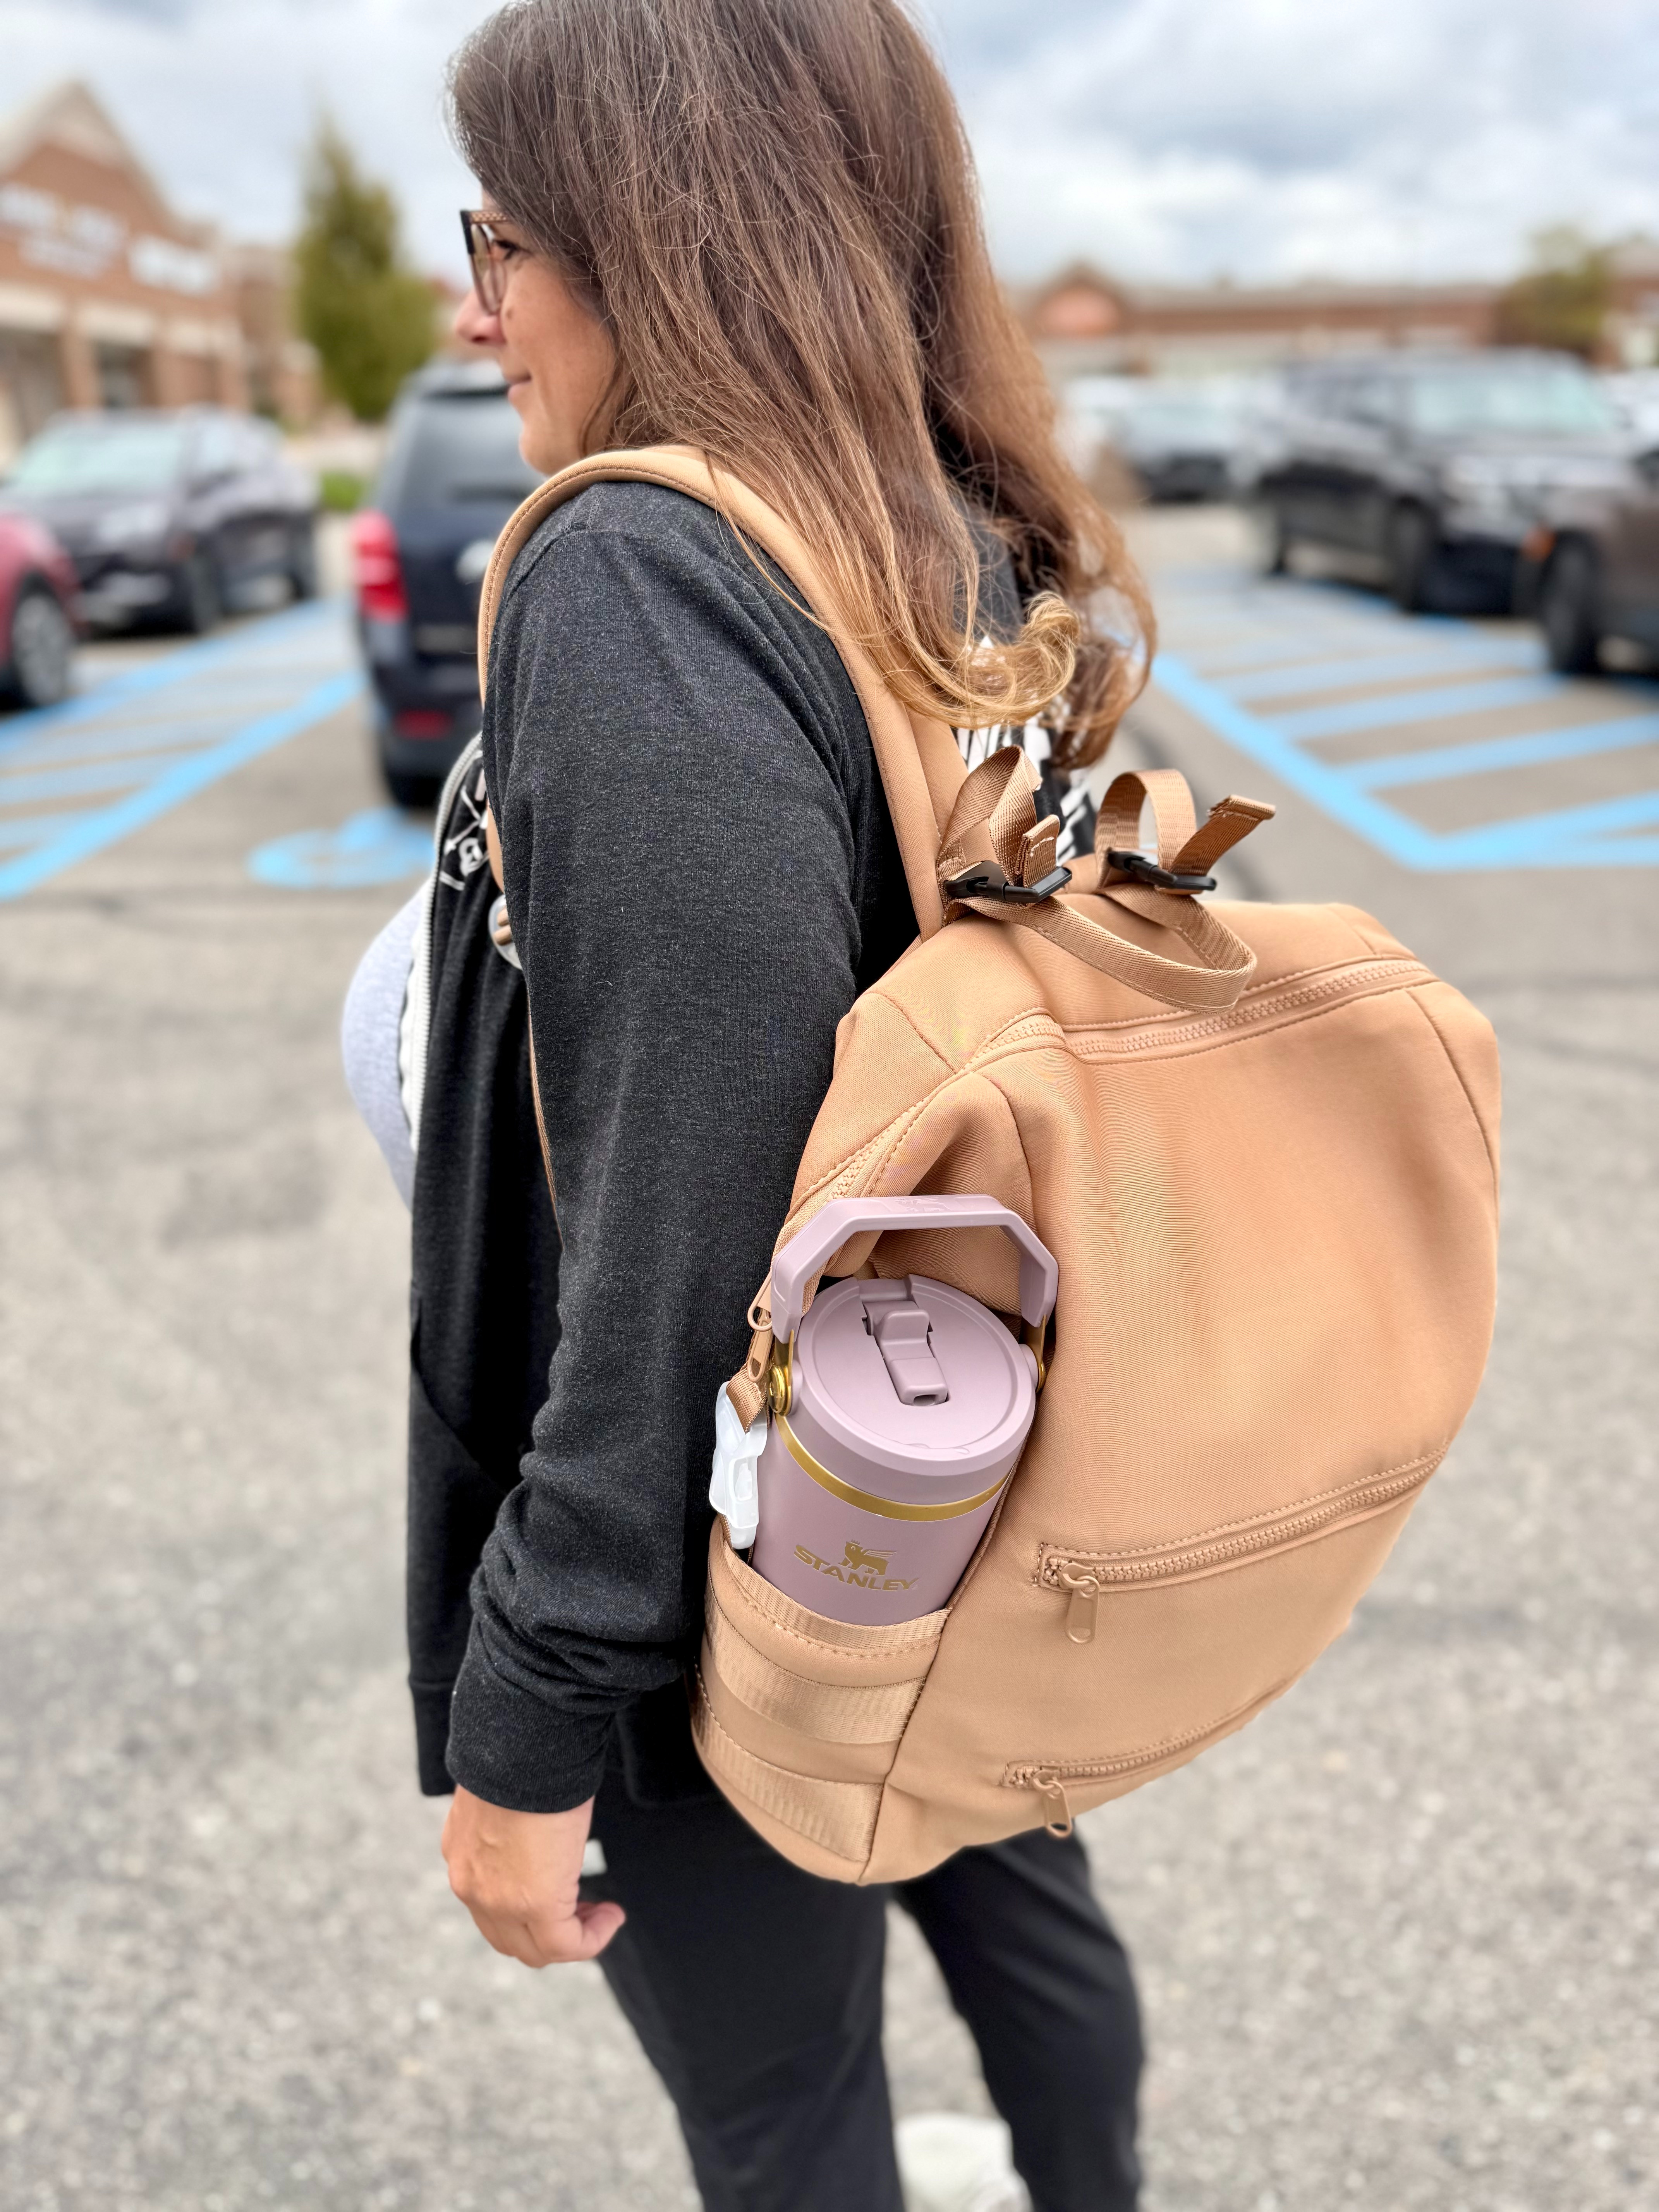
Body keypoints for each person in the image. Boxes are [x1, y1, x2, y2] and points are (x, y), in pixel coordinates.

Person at [388, 3, 1156, 2205]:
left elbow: (676, 1218)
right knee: (1027, 1913)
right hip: (959, 1470)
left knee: (787, 2109)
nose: (475, 302)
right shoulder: (954, 532)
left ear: (665, 237)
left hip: (739, 1557)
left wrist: (528, 1716)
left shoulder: (644, 574)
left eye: (506, 234)